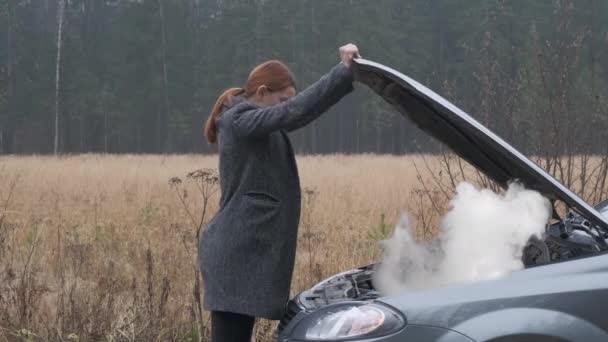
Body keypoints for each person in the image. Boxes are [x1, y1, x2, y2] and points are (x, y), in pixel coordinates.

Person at [199, 43, 360, 342]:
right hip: (235, 258)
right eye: (282, 100)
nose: (286, 106)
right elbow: (295, 113)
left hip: (244, 254)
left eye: (290, 100)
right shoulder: (239, 120)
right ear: (261, 93)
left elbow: (293, 113)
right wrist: (343, 72)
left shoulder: (254, 124)